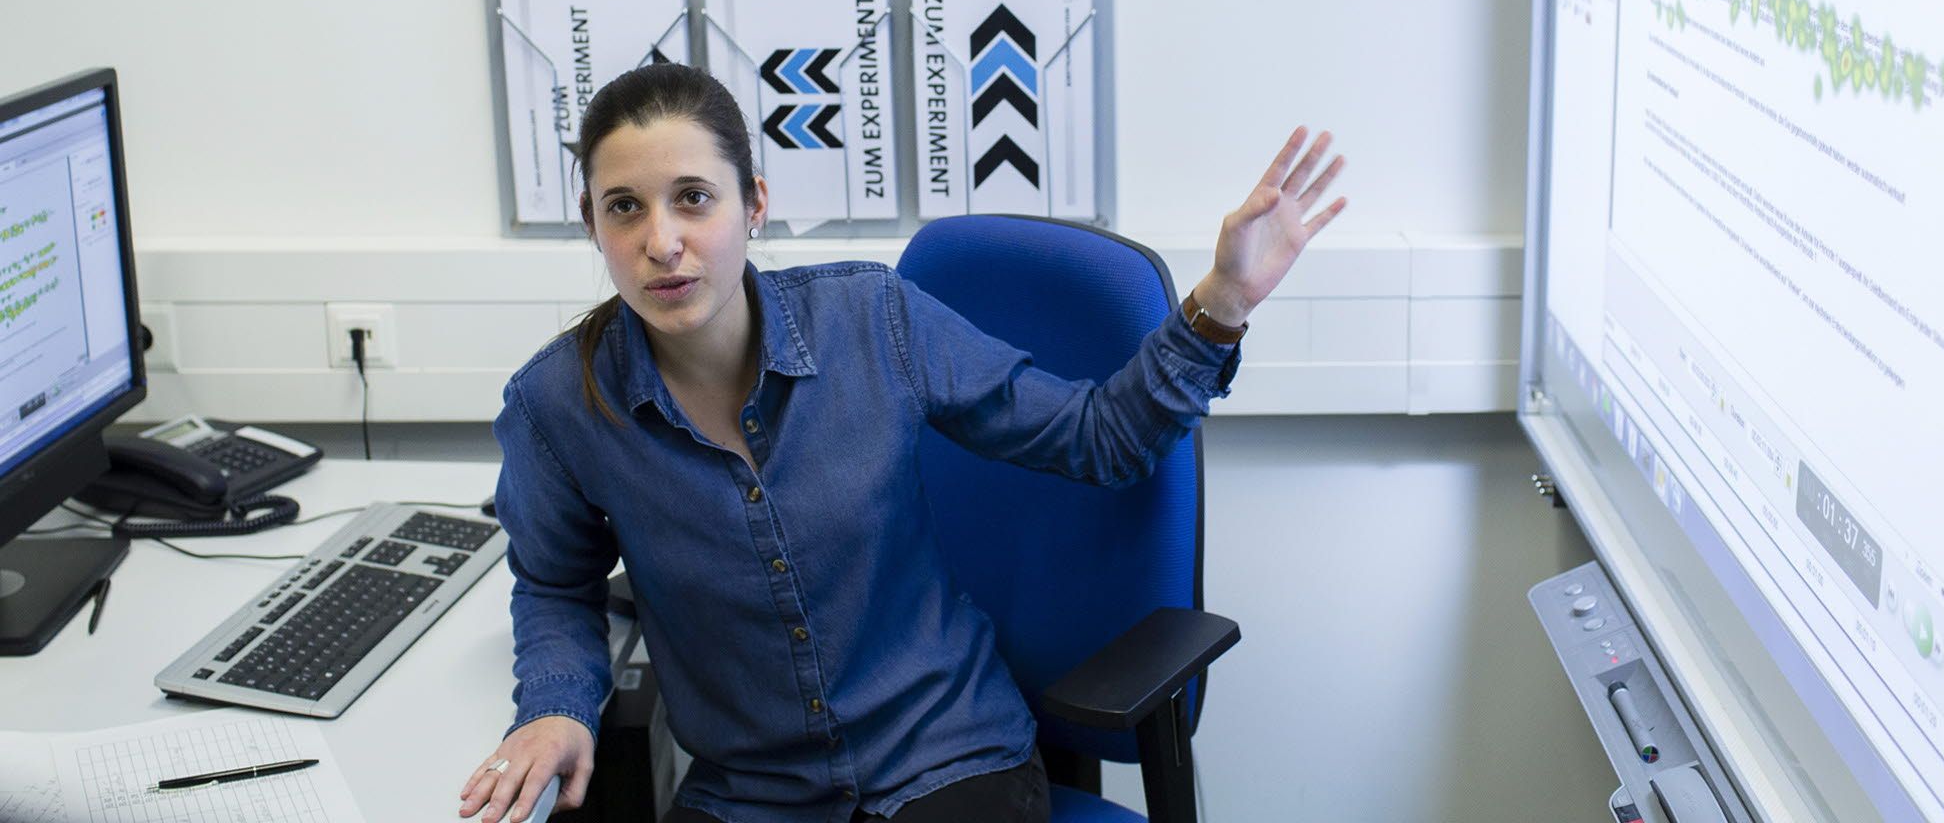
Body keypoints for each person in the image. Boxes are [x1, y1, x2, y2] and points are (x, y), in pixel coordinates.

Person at [458, 62, 1346, 823]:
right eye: (625, 209)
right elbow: (554, 584)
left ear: (754, 204)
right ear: (593, 227)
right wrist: (556, 708)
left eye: (694, 198)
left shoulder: (870, 320)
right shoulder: (556, 407)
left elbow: (1102, 439)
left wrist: (1223, 302)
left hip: (948, 757)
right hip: (755, 794)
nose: (662, 242)